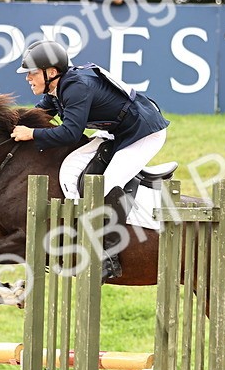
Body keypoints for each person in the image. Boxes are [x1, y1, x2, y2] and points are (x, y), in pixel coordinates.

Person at [11, 39, 169, 281]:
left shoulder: (76, 87)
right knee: (72, 169)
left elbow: (70, 133)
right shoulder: (57, 88)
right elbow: (37, 115)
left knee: (107, 183)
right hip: (116, 131)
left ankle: (109, 256)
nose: (27, 78)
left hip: (144, 132)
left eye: (31, 73)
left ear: (51, 72)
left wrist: (31, 134)